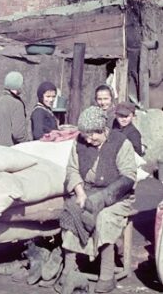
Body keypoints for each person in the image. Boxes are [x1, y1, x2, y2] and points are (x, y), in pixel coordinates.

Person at [58, 106, 136, 293]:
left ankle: (107, 275)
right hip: (88, 191)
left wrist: (103, 197)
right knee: (71, 211)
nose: (88, 140)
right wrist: (80, 193)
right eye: (85, 135)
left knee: (104, 218)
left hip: (118, 195)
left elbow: (128, 177)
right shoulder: (80, 142)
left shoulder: (121, 142)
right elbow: (72, 169)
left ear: (102, 130)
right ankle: (70, 270)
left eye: (92, 136)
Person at [0, 71, 27, 146]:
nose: (23, 86)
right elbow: (18, 134)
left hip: (1, 147)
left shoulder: (0, 100)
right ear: (17, 85)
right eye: (22, 83)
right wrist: (28, 141)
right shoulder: (17, 104)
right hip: (15, 149)